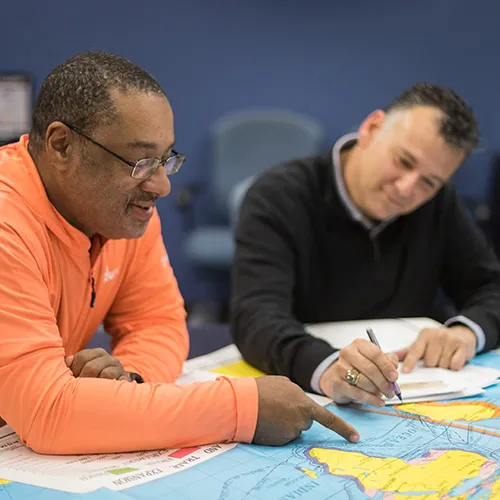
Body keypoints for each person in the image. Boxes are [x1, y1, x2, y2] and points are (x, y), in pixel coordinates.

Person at [0, 51, 359, 454]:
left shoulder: (118, 212)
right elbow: (50, 414)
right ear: (62, 145)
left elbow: (157, 321)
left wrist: (129, 383)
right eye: (139, 162)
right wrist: (242, 408)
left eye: (165, 160)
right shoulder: (7, 220)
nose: (161, 186)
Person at [231, 83, 500, 408]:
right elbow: (255, 315)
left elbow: (490, 287)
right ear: (372, 128)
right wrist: (326, 365)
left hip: (413, 396)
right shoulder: (279, 195)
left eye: (429, 182)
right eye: (403, 161)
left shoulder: (438, 204)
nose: (406, 189)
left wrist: (465, 333)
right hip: (314, 393)